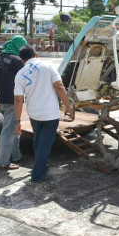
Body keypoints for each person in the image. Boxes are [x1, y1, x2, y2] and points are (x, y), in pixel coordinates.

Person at [14, 45, 73, 182]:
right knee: (45, 144)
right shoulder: (48, 66)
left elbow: (18, 100)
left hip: (34, 114)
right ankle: (38, 175)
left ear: (22, 60)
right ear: (36, 55)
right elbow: (59, 86)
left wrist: (17, 121)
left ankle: (42, 166)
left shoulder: (20, 74)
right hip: (50, 114)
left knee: (38, 141)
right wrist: (68, 107)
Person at [0, 35, 27, 170]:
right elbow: (25, 81)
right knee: (9, 131)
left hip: (2, 100)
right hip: (13, 100)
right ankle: (3, 161)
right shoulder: (17, 61)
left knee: (13, 129)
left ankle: (16, 156)